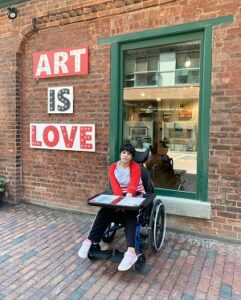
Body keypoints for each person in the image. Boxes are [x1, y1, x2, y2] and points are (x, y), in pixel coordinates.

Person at [78, 144, 145, 271]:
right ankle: (90, 241)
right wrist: (119, 203)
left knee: (130, 213)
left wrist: (126, 204)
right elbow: (115, 188)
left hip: (135, 196)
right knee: (105, 210)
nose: (125, 155)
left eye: (129, 154)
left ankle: (131, 253)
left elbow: (132, 187)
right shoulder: (113, 167)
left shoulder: (135, 167)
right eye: (124, 152)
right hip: (119, 196)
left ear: (131, 157)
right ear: (120, 154)